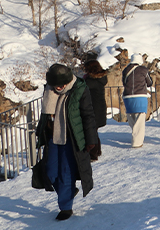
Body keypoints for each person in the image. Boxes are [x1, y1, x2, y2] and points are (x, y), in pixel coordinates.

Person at [37, 63, 100, 220]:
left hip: (71, 139)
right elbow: (45, 116)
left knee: (66, 173)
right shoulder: (48, 90)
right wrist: (40, 133)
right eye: (56, 84)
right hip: (53, 137)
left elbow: (88, 115)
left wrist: (91, 140)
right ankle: (69, 191)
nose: (59, 87)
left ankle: (66, 207)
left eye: (62, 84)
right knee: (50, 172)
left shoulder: (79, 89)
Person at [122, 54, 152, 148]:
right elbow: (149, 82)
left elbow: (124, 82)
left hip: (127, 96)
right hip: (140, 96)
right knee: (140, 119)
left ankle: (136, 134)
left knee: (132, 117)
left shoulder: (125, 70)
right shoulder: (143, 70)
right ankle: (137, 142)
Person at [82, 55, 107, 159]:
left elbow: (83, 87)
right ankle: (97, 151)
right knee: (93, 130)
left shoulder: (91, 81)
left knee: (91, 131)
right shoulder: (100, 79)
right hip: (99, 107)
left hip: (94, 109)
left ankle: (93, 154)